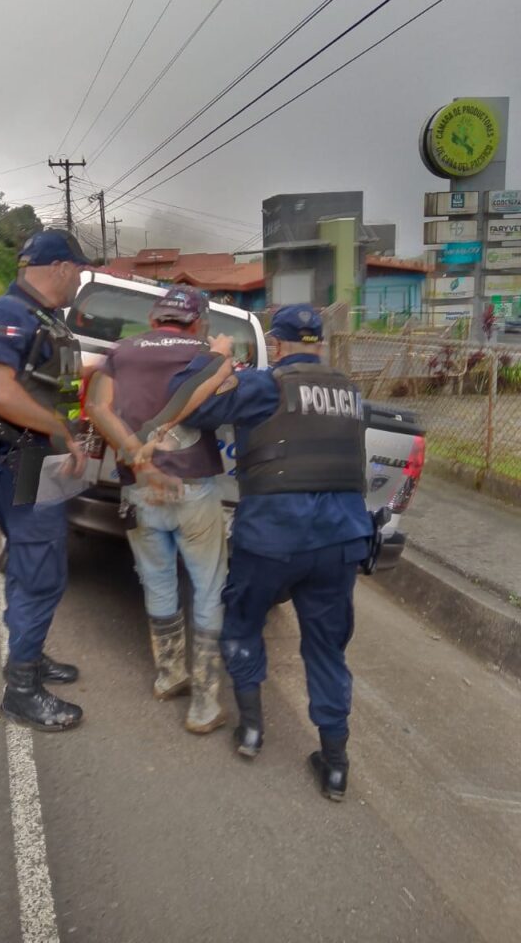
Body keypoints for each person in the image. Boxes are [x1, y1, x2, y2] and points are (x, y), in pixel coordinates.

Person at [165, 304, 372, 801]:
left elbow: (192, 406)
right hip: (341, 541)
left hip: (272, 539)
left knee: (243, 621)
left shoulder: (266, 386)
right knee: (326, 648)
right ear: (318, 343)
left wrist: (214, 359)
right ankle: (337, 766)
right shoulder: (350, 392)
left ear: (276, 346)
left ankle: (253, 730)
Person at [87, 286, 234, 734]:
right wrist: (221, 355)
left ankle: (169, 675)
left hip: (140, 489)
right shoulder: (207, 351)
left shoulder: (121, 352)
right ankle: (204, 705)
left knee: (158, 583)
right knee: (208, 589)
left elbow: (97, 407)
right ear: (196, 323)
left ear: (154, 320)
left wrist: (135, 452)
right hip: (195, 489)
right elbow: (231, 395)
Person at [0, 229, 90, 733]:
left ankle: (30, 654)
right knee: (41, 573)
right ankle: (21, 690)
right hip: (24, 461)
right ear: (59, 267)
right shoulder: (6, 315)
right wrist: (63, 430)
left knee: (31, 563)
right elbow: (0, 394)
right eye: (78, 271)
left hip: (42, 462)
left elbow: (49, 387)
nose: (80, 281)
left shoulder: (45, 320)